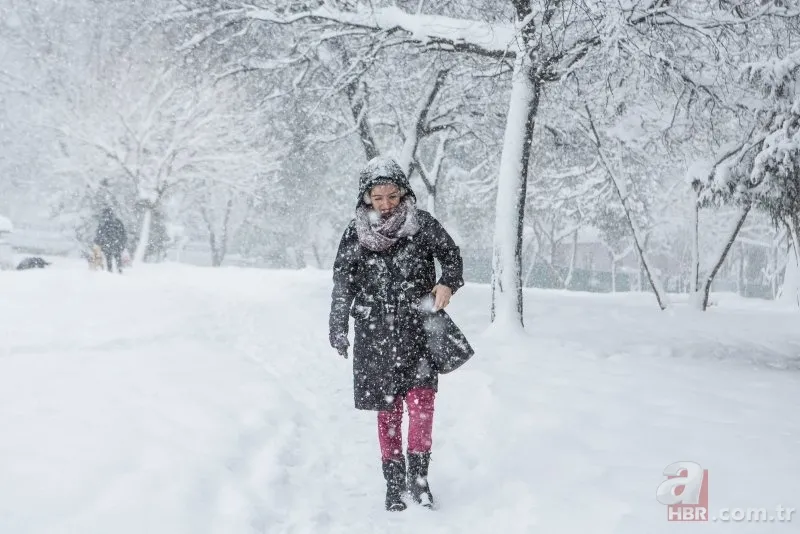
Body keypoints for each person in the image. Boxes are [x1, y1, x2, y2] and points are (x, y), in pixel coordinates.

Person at [329, 156, 469, 512]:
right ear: (366, 198)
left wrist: (447, 284)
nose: (386, 204)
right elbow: (343, 283)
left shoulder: (421, 224)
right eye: (378, 198)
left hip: (419, 329)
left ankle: (419, 481)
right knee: (387, 410)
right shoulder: (355, 233)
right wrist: (338, 326)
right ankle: (393, 484)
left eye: (392, 196)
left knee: (422, 405)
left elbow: (451, 256)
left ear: (403, 193)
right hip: (375, 334)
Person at [94, 207, 127, 273]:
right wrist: (123, 243)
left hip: (107, 245)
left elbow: (99, 234)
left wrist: (98, 242)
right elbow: (123, 233)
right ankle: (119, 270)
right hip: (117, 244)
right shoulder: (118, 221)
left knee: (108, 259)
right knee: (117, 258)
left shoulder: (103, 223)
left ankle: (110, 272)